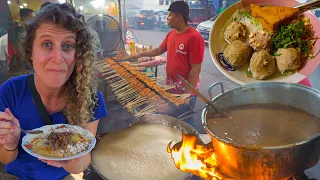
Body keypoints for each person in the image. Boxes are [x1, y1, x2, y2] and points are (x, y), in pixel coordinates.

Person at [0, 3, 108, 180]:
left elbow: (82, 162)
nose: (58, 59)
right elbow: (4, 158)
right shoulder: (10, 92)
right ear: (30, 52)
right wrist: (10, 145)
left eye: (67, 46)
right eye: (47, 44)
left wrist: (70, 160)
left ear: (78, 54)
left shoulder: (90, 98)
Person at [129, 1, 204, 125]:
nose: (167, 18)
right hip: (171, 87)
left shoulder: (195, 37)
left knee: (185, 121)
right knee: (173, 118)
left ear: (179, 17)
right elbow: (159, 50)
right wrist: (139, 54)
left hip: (186, 90)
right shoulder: (171, 34)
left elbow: (196, 69)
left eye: (169, 15)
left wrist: (187, 94)